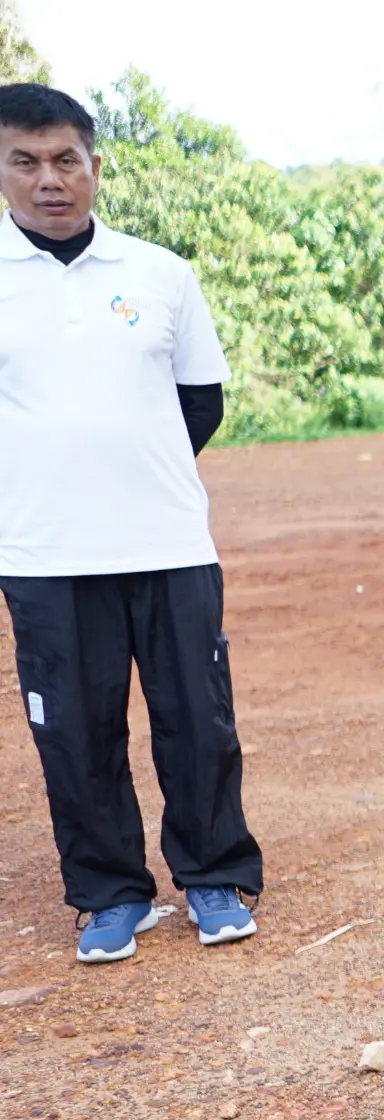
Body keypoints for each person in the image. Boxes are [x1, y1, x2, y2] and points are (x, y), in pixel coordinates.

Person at [0, 83, 259, 963]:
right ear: (3, 171)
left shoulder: (159, 273)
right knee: (74, 731)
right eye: (25, 161)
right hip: (42, 553)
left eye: (65, 159)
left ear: (95, 166)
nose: (49, 179)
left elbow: (201, 401)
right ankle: (111, 894)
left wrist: (129, 475)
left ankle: (214, 876)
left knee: (198, 719)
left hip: (167, 542)